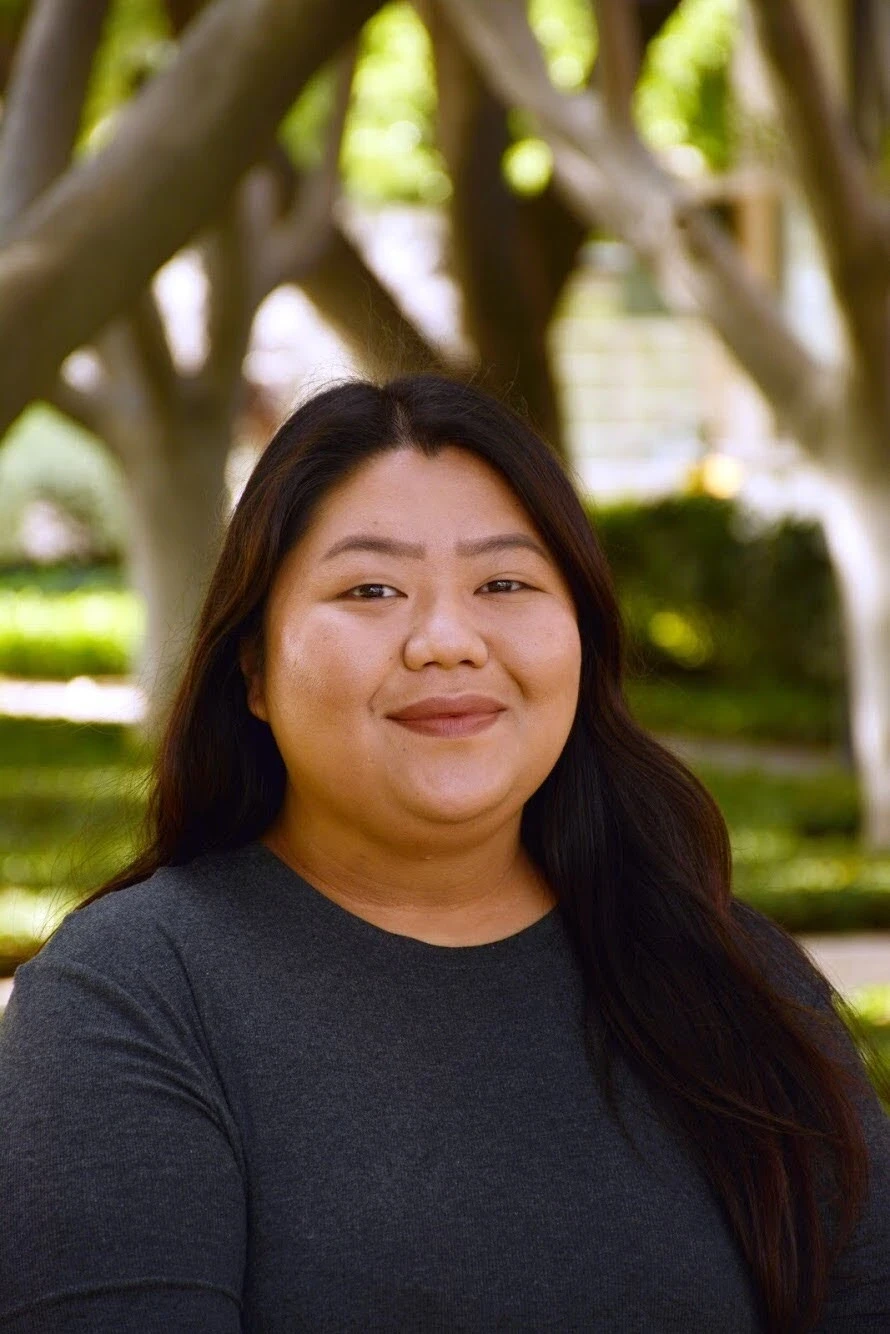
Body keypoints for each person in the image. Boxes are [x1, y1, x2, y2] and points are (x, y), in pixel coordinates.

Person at [0, 374, 888, 1333]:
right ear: (252, 668)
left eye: (504, 584)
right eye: (371, 589)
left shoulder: (739, 977)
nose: (447, 641)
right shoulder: (137, 994)